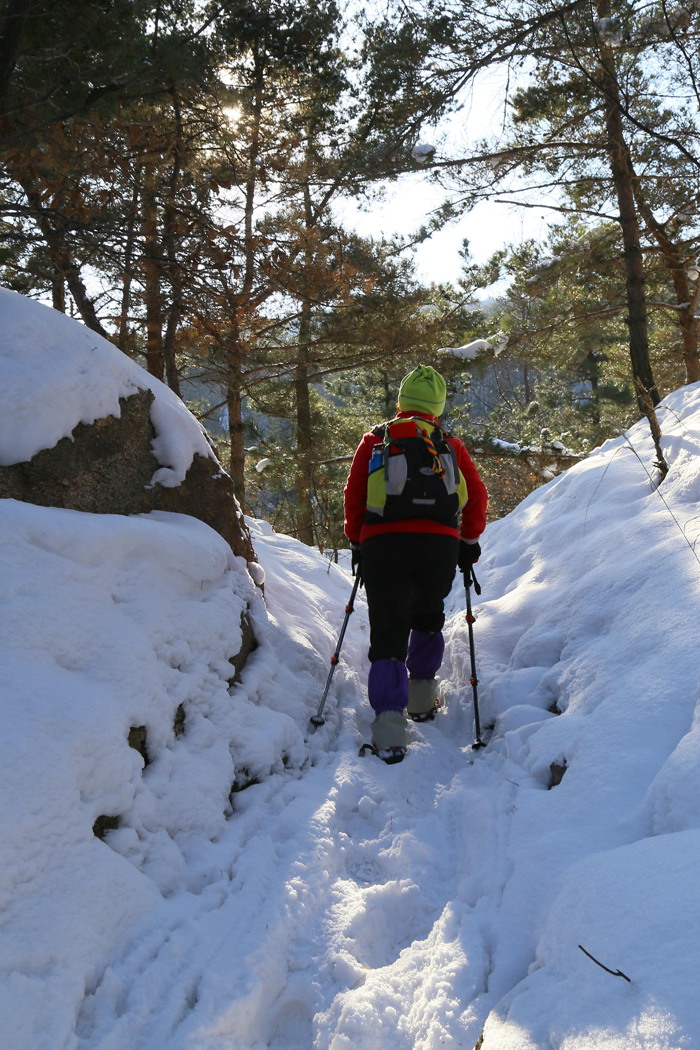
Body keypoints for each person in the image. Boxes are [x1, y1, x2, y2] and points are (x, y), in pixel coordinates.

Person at [343, 364, 488, 763]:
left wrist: (357, 539)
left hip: (383, 544)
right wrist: (468, 541)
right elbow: (476, 496)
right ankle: (422, 699)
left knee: (388, 628)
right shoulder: (449, 444)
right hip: (438, 545)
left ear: (402, 401)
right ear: (437, 407)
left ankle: (390, 728)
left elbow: (354, 496)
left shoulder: (376, 439)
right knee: (427, 614)